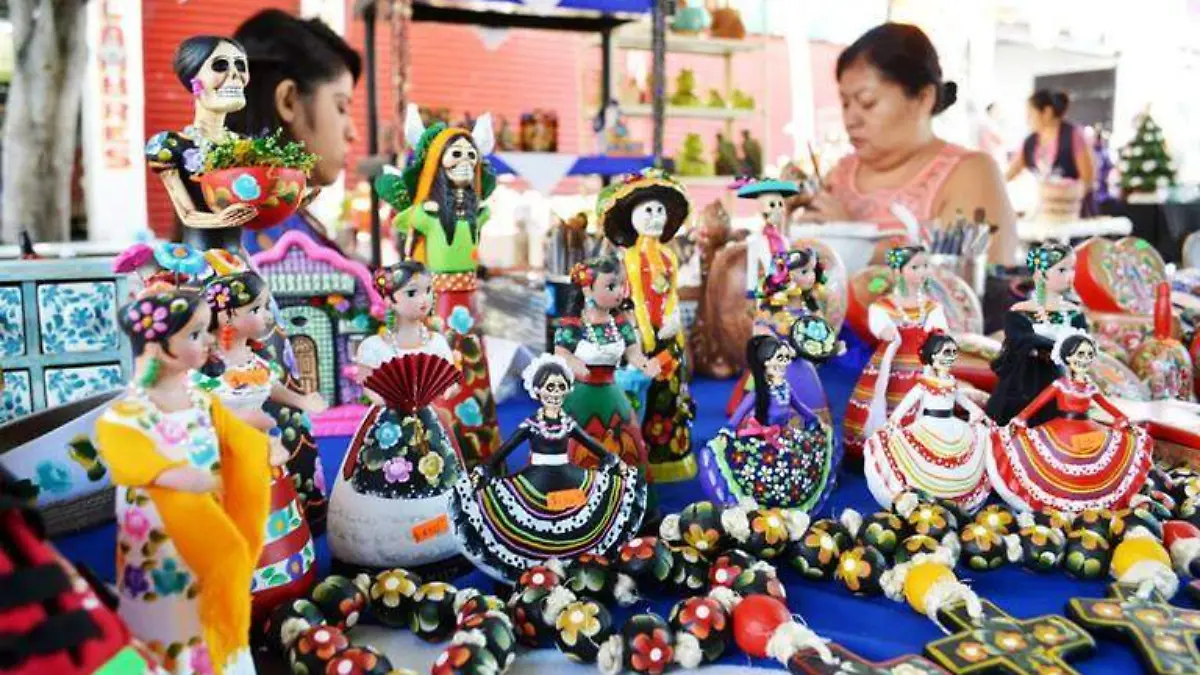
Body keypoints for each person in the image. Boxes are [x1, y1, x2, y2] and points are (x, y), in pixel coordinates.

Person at [96, 284, 270, 675]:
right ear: (158, 346)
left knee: (210, 593)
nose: (209, 340)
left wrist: (256, 446)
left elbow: (231, 432)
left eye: (206, 330)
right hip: (158, 529)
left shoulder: (199, 398)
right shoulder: (129, 411)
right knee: (167, 605)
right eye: (195, 334)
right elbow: (120, 446)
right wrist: (169, 475)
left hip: (208, 516)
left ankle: (222, 654)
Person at [802, 23, 1017, 265]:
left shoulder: (970, 174)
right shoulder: (839, 175)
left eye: (867, 102)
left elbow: (969, 287)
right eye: (845, 104)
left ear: (924, 98)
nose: (851, 119)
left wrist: (852, 241)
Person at [227, 9, 361, 256]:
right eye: (341, 107)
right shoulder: (270, 236)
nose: (353, 133)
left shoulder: (229, 214)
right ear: (288, 101)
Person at [989, 331, 1152, 513]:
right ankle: (1061, 507)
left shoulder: (1090, 386)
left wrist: (1122, 419)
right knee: (1056, 465)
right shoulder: (1060, 384)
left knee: (1097, 467)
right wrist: (1020, 419)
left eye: (1089, 355)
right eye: (1080, 354)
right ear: (1067, 357)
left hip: (1090, 430)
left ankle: (1088, 506)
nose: (1085, 359)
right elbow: (1037, 404)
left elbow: (1106, 405)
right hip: (1061, 431)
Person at [863, 332, 991, 513]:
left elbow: (961, 399)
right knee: (921, 462)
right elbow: (908, 402)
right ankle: (919, 501)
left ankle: (949, 502)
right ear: (933, 356)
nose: (951, 357)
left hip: (953, 427)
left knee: (957, 461)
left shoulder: (951, 382)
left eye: (954, 352)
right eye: (947, 353)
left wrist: (975, 410)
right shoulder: (924, 384)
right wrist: (895, 419)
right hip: (928, 426)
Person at [1005, 89, 1096, 214]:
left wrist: (1065, 198)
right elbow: (1010, 173)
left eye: (1030, 114)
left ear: (1047, 112)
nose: (1027, 120)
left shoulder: (1073, 135)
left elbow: (1088, 180)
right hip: (1047, 212)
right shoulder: (1030, 142)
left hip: (1075, 213)